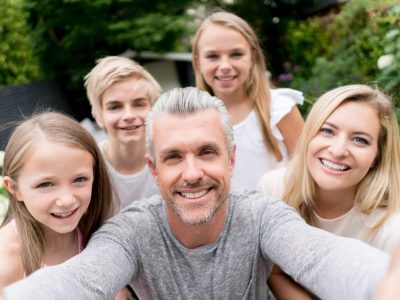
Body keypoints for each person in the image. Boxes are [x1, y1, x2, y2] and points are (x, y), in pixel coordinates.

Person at [2, 88, 390, 300]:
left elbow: (319, 256)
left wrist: (387, 282)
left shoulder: (262, 216)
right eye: (173, 157)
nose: (192, 174)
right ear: (154, 170)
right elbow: (82, 281)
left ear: (232, 160)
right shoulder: (130, 234)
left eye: (207, 152)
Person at [258, 84, 400, 299]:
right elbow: (275, 271)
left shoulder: (391, 227)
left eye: (359, 140)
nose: (337, 150)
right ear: (309, 135)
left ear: (376, 158)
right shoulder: (274, 188)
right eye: (327, 131)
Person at [191, 11, 305, 191]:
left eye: (236, 54)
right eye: (213, 56)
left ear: (252, 57)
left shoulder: (279, 109)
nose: (225, 66)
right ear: (198, 62)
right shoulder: (191, 121)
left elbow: (308, 170)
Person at [0, 112, 114, 287]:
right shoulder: (6, 259)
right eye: (45, 184)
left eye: (79, 179)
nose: (67, 200)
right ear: (15, 189)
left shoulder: (96, 230)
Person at [84, 56, 161, 212]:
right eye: (115, 107)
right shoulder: (88, 168)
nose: (128, 115)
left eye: (139, 104)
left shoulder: (170, 160)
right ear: (98, 117)